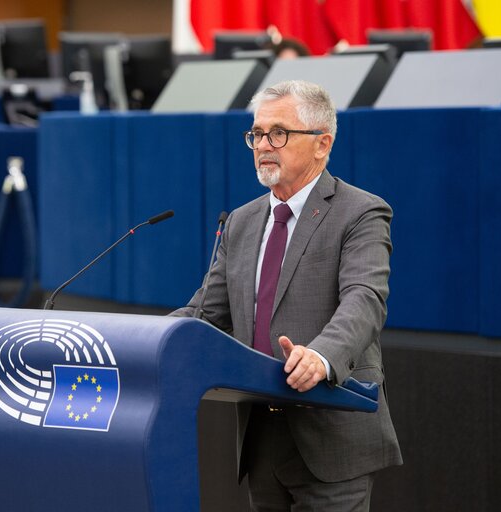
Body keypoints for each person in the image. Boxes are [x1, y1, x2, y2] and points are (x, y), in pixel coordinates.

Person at [171, 80, 402, 511]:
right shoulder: (241, 221)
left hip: (330, 432)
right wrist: (142, 337)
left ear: (322, 143)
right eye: (256, 134)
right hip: (262, 436)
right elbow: (206, 312)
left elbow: (365, 298)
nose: (263, 145)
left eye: (279, 133)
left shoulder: (361, 211)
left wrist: (321, 355)